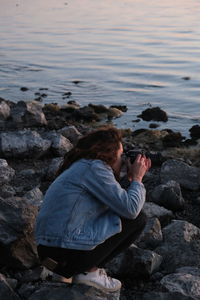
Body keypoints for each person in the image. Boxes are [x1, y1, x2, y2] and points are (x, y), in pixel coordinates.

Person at [35, 126, 151, 292]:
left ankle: (67, 274)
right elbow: (131, 209)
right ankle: (89, 272)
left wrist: (130, 179)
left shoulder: (80, 167)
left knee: (115, 213)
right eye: (120, 155)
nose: (122, 160)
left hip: (50, 254)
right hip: (67, 255)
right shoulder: (95, 168)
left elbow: (115, 201)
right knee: (139, 219)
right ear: (108, 154)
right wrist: (138, 179)